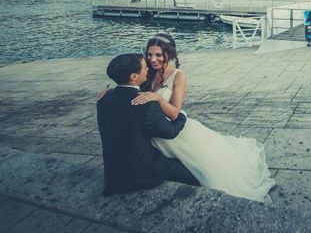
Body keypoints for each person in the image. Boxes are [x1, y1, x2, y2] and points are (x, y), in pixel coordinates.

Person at [133, 33, 275, 203]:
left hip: (172, 127)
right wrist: (113, 90)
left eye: (158, 55)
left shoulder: (178, 75)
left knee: (208, 166)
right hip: (154, 129)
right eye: (149, 55)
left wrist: (158, 98)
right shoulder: (147, 73)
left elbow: (175, 112)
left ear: (169, 55)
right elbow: (132, 89)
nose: (153, 59)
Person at [96, 53, 200, 195]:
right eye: (145, 67)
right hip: (141, 171)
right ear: (133, 77)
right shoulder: (146, 104)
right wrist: (182, 115)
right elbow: (170, 132)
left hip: (113, 172)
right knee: (193, 170)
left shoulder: (103, 99)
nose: (148, 70)